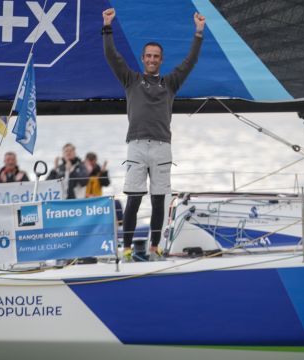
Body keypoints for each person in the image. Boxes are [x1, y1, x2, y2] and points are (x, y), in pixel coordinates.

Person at [102, 8, 205, 261]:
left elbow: (190, 62)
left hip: (162, 147)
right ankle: (126, 250)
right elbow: (112, 57)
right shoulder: (131, 80)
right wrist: (107, 26)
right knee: (134, 201)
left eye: (156, 56)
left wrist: (199, 33)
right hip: (136, 146)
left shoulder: (170, 83)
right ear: (143, 58)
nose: (151, 59)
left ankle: (154, 248)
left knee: (159, 201)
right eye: (148, 56)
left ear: (161, 59)